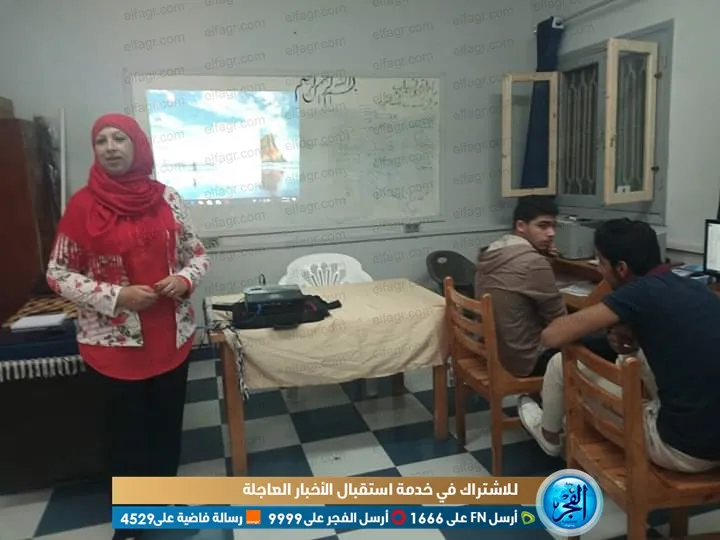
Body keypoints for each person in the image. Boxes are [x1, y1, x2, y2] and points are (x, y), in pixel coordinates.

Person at [46, 113, 210, 540]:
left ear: (137, 145)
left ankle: (161, 501)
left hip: (170, 338)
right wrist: (118, 296)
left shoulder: (168, 198)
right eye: (101, 140)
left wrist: (184, 279)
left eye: (119, 138)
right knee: (124, 439)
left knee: (164, 430)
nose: (110, 147)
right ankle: (132, 521)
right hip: (113, 346)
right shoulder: (83, 206)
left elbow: (197, 254)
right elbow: (58, 274)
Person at [518, 218, 720, 473]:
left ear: (621, 268)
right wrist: (631, 340)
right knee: (635, 359)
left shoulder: (637, 293)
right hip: (711, 439)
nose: (599, 270)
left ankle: (549, 435)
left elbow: (552, 336)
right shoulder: (697, 288)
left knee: (560, 363)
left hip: (682, 449)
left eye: (601, 263)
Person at [475, 195, 615, 378]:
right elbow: (560, 322)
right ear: (521, 226)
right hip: (527, 361)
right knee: (607, 340)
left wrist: (546, 259)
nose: (551, 233)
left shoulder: (490, 253)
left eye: (553, 226)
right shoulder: (533, 263)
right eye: (543, 226)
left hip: (498, 352)